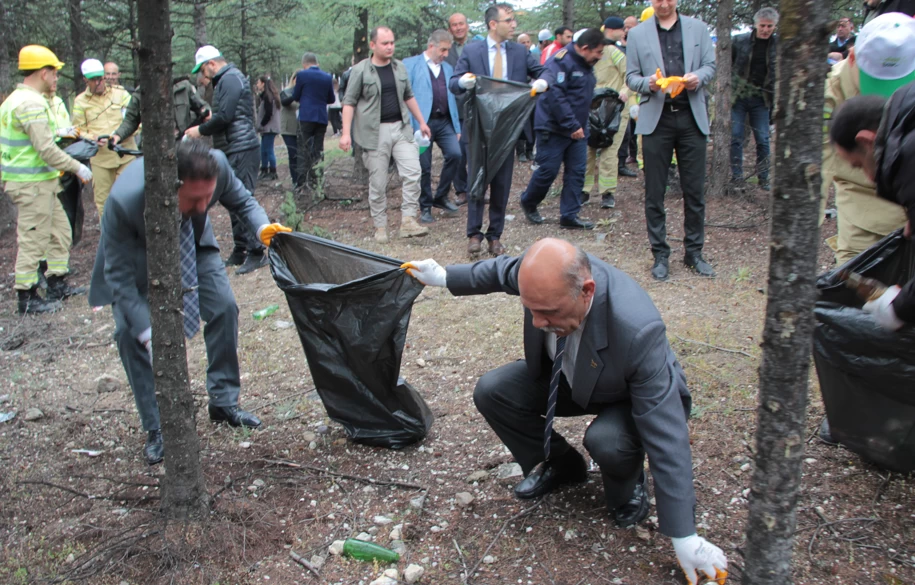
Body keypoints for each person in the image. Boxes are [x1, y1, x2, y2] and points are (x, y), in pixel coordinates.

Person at [402, 239, 729, 585]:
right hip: (572, 377)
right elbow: (501, 271)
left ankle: (628, 483)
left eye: (550, 312)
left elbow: (667, 430)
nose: (539, 321)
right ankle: (562, 465)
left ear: (587, 291)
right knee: (493, 391)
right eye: (531, 309)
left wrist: (684, 535)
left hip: (626, 396)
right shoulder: (543, 279)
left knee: (607, 441)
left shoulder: (637, 328)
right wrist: (442, 276)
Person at [88, 140, 291, 465]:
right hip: (138, 259)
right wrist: (148, 331)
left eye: (208, 197)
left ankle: (223, 402)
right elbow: (119, 279)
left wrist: (262, 226)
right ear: (172, 185)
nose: (204, 204)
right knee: (129, 334)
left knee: (224, 306)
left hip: (193, 246)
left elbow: (243, 201)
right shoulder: (125, 200)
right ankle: (157, 427)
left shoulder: (217, 167)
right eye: (194, 199)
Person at [626, 0, 716, 281]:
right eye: (657, 0)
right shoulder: (638, 34)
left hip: (691, 118)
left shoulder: (698, 28)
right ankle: (660, 254)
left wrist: (697, 78)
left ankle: (694, 252)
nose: (663, 4)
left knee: (694, 191)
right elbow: (631, 77)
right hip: (657, 118)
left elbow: (710, 66)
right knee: (654, 192)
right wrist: (648, 84)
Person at [1, 45, 92, 315]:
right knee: (33, 238)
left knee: (59, 232)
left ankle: (57, 282)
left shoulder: (17, 100)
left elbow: (41, 140)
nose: (56, 79)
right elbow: (45, 149)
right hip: (31, 184)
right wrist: (77, 166)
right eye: (54, 73)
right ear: (43, 73)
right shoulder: (29, 103)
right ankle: (27, 296)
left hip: (42, 181)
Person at [451, 3, 546, 257]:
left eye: (514, 20)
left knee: (502, 184)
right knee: (476, 180)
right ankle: (474, 234)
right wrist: (463, 81)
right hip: (478, 127)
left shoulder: (519, 52)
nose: (514, 25)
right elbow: (453, 83)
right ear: (494, 24)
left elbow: (542, 71)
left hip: (508, 129)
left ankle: (495, 236)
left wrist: (542, 81)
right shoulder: (472, 51)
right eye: (509, 20)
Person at [820, 13, 912, 265]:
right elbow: (818, 161)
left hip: (909, 196)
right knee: (856, 281)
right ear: (852, 58)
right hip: (860, 203)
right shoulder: (832, 89)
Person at [829, 93, 915, 326]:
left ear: (867, 141)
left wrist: (898, 309)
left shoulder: (908, 160)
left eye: (859, 164)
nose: (868, 177)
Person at [340, 26, 431, 243]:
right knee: (378, 182)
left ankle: (408, 221)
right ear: (373, 45)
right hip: (373, 133)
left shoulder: (399, 68)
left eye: (392, 42)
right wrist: (345, 133)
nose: (390, 47)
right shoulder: (361, 70)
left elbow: (409, 96)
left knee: (413, 172)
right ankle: (380, 226)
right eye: (385, 43)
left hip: (401, 128)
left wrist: (421, 121)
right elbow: (349, 102)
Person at [185, 45, 266, 275]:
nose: (202, 76)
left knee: (242, 198)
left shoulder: (230, 78)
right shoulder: (226, 80)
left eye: (203, 70)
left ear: (211, 63)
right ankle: (240, 249)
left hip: (241, 147)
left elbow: (225, 117)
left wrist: (199, 130)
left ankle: (256, 251)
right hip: (232, 147)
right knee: (231, 201)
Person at [521, 29, 604, 229]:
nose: (600, 57)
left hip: (578, 129)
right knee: (547, 171)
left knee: (577, 172)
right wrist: (571, 125)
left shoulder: (586, 64)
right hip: (553, 127)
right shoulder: (560, 62)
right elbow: (554, 96)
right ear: (585, 48)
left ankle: (569, 215)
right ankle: (529, 201)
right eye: (598, 52)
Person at [404, 29, 462, 225]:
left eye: (448, 50)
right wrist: (412, 125)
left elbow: (452, 98)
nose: (445, 54)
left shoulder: (447, 68)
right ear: (431, 46)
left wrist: (456, 126)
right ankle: (425, 206)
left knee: (455, 154)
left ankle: (441, 196)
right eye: (443, 50)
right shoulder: (411, 65)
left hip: (444, 121)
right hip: (422, 123)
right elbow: (405, 95)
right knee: (424, 166)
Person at [72, 58, 137, 218]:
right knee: (104, 201)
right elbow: (78, 130)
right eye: (94, 79)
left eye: (101, 78)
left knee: (132, 196)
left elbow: (136, 121)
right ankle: (109, 238)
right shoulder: (80, 102)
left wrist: (120, 135)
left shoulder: (120, 94)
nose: (99, 82)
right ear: (85, 80)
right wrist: (92, 138)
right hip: (101, 159)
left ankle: (135, 235)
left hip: (126, 154)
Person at [582, 17, 633, 210]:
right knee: (587, 151)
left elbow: (630, 76)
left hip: (614, 111)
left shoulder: (616, 53)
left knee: (609, 151)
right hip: (592, 110)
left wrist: (625, 93)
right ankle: (584, 190)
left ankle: (607, 192)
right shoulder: (589, 54)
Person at [730, 7, 778, 190]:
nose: (766, 30)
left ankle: (764, 177)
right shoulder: (739, 41)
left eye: (770, 26)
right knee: (735, 136)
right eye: (762, 26)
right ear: (756, 25)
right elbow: (728, 65)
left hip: (762, 98)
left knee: (763, 139)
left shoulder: (778, 44)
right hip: (739, 97)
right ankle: (736, 176)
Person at [111, 76, 210, 144]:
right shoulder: (141, 93)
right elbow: (130, 120)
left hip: (182, 144)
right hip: (154, 148)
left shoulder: (183, 87)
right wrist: (117, 136)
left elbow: (201, 106)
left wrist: (207, 113)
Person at [289, 53, 335, 191]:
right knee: (318, 149)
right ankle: (318, 179)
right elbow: (331, 99)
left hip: (306, 116)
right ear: (316, 62)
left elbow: (295, 96)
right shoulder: (327, 77)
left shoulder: (302, 75)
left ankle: (303, 182)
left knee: (303, 149)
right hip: (321, 117)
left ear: (304, 64)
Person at [445, 12, 472, 206]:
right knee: (459, 152)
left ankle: (479, 188)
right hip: (455, 108)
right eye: (454, 25)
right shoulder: (447, 51)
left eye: (461, 24)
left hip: (478, 106)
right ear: (450, 29)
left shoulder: (477, 46)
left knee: (479, 151)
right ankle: (461, 189)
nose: (458, 27)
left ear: (467, 26)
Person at [255, 75, 281, 181]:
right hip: (269, 127)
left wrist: (261, 124)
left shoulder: (268, 97)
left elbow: (268, 113)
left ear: (263, 83)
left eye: (258, 82)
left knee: (268, 149)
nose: (257, 84)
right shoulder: (269, 96)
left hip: (269, 128)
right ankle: (264, 170)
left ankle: (273, 172)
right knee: (264, 150)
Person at [280, 74, 300, 186]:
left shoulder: (305, 93)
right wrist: (296, 94)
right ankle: (295, 181)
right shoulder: (286, 92)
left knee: (301, 155)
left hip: (301, 129)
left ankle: (302, 179)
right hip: (288, 129)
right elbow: (285, 102)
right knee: (293, 154)